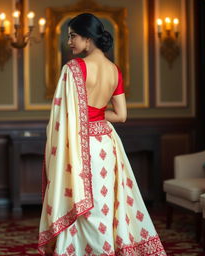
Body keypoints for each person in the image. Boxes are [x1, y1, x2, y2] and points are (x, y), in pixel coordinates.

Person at [38, 13, 166, 255]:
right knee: (103, 203)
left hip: (79, 143)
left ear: (88, 38)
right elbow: (121, 115)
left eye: (73, 36)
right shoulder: (114, 70)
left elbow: (64, 115)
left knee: (79, 198)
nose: (69, 42)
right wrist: (95, 114)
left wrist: (81, 116)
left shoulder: (74, 68)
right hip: (106, 144)